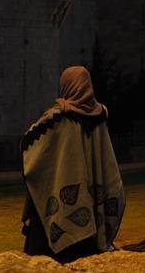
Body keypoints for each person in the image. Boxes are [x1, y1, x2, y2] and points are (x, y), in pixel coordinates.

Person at [21, 66, 125, 263]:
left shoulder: (58, 119)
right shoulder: (100, 117)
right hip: (93, 210)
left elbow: (29, 144)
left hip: (61, 206)